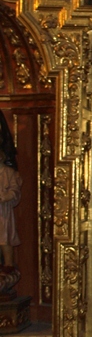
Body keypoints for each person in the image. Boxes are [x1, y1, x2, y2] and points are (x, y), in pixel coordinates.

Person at [0, 111, 21, 270]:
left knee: (4, 238)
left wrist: (4, 197)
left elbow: (14, 191)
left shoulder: (8, 173)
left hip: (3, 211)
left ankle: (8, 264)